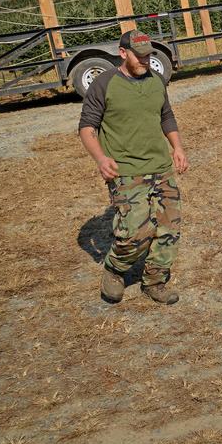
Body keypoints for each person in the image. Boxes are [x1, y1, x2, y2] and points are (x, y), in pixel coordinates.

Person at [79, 30, 189, 305]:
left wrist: (177, 147)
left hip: (161, 167)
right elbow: (87, 128)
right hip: (126, 170)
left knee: (168, 228)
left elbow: (166, 115)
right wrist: (101, 159)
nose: (145, 60)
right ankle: (115, 270)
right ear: (123, 52)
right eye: (139, 55)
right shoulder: (103, 84)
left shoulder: (156, 81)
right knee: (135, 232)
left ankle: (154, 282)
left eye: (148, 55)